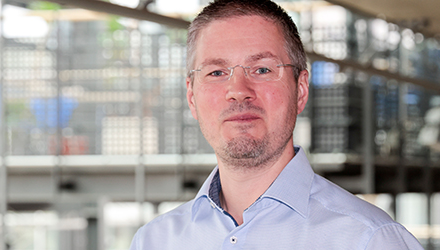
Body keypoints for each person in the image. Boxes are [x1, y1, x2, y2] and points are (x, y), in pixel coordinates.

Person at [129, 0, 423, 249]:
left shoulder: (369, 240)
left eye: (262, 69)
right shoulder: (154, 241)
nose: (238, 90)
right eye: (217, 72)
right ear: (191, 97)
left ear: (301, 90)